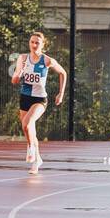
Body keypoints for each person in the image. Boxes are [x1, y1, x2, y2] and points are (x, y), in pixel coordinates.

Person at [12, 31, 66, 173]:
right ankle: (37, 160)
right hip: (25, 97)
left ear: (43, 44)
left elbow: (63, 73)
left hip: (40, 99)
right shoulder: (23, 58)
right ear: (29, 43)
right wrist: (20, 72)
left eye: (37, 42)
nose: (34, 45)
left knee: (27, 123)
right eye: (32, 42)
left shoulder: (47, 60)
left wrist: (61, 93)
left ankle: (30, 149)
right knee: (28, 130)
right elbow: (14, 80)